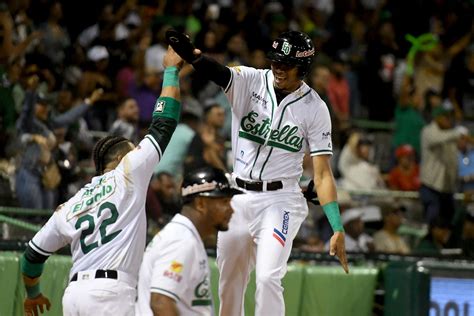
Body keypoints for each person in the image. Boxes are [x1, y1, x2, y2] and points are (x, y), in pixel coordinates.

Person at [167, 29, 348, 316]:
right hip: (236, 196)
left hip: (281, 200)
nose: (277, 67)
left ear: (302, 68)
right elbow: (219, 73)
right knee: (229, 283)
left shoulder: (315, 108)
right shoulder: (251, 80)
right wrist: (192, 57)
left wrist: (336, 226)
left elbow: (323, 174)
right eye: (275, 61)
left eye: (285, 64)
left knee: (267, 277)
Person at [19, 46, 184, 316]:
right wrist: (170, 71)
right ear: (123, 156)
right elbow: (164, 122)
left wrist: (33, 295)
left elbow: (32, 256)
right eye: (134, 149)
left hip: (73, 296)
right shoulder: (129, 171)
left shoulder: (72, 204)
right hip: (111, 294)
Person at [135, 166, 241, 316]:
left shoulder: (184, 235)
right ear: (201, 204)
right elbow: (160, 303)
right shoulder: (181, 240)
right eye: (224, 201)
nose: (231, 209)